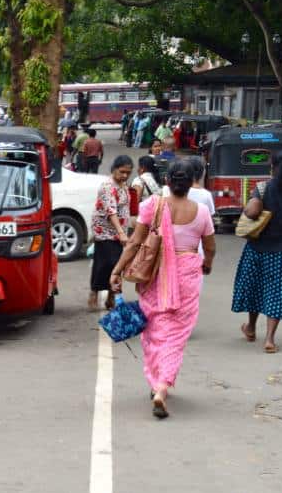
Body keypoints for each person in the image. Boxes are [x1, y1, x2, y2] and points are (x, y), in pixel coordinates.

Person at [109, 158, 217, 419]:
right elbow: (210, 247)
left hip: (155, 274)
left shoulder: (152, 206)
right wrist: (208, 264)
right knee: (176, 337)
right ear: (192, 183)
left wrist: (117, 270)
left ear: (167, 182)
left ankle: (157, 383)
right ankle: (162, 386)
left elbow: (135, 242)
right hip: (188, 275)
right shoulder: (201, 212)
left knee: (155, 330)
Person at [231, 150, 282, 354]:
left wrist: (249, 206)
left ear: (273, 167)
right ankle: (269, 339)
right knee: (276, 291)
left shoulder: (263, 187)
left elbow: (251, 212)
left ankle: (250, 328)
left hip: (259, 246)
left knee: (255, 287)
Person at [89, 155, 134, 311]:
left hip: (120, 230)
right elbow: (111, 211)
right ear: (114, 169)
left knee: (117, 263)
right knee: (105, 263)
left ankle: (111, 295)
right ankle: (95, 291)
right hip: (105, 230)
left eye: (128, 172)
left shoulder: (124, 185)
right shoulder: (107, 186)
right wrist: (121, 232)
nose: (125, 175)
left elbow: (125, 208)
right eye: (122, 172)